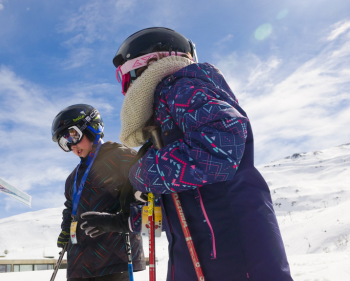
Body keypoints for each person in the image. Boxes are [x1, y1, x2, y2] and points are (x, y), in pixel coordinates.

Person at [111, 27, 293, 281]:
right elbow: (178, 200)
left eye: (124, 78)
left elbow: (220, 148)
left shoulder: (182, 87)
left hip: (235, 254)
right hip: (195, 255)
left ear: (147, 65)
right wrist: (128, 217)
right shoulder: (164, 112)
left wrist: (145, 172)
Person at [52, 104, 145, 281]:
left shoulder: (122, 158)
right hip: (80, 263)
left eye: (73, 136)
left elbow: (145, 202)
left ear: (92, 128)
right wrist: (66, 229)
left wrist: (115, 222)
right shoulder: (72, 178)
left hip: (113, 259)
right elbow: (70, 207)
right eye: (65, 142)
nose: (72, 145)